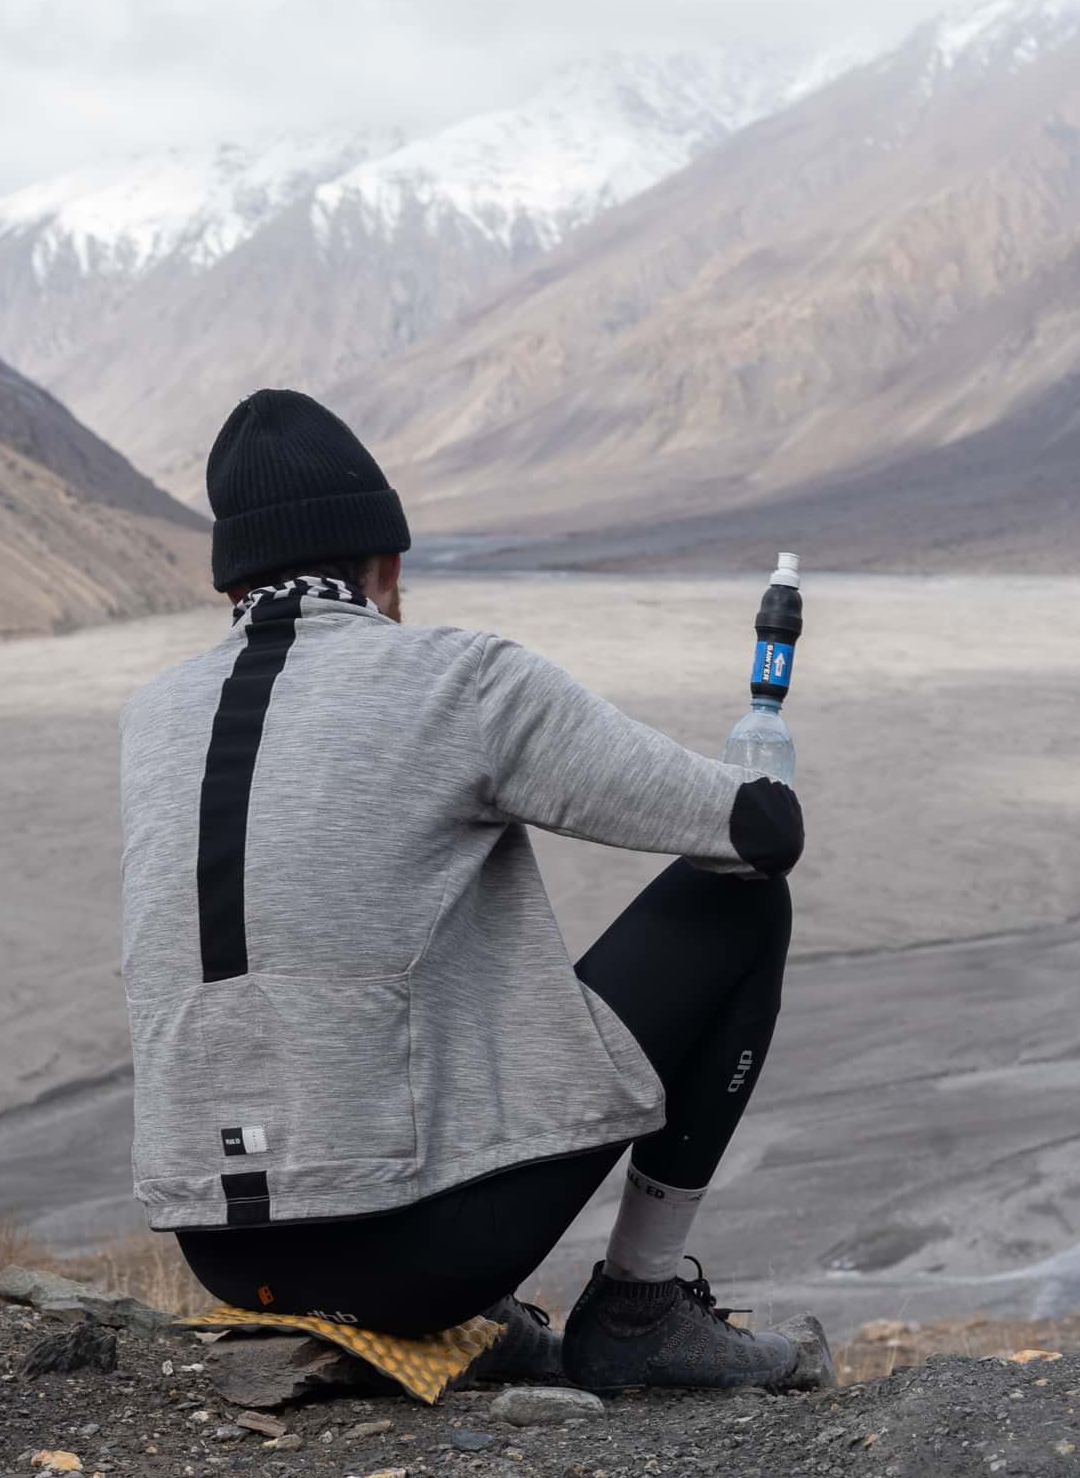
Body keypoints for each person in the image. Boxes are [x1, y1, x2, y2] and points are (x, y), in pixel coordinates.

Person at [117, 389, 830, 1391]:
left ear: (232, 578)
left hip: (227, 1256)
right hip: (414, 1254)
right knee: (743, 899)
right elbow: (757, 830)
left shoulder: (150, 716)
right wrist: (760, 767)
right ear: (387, 563)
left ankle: (478, 1318)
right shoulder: (462, 680)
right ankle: (639, 1306)